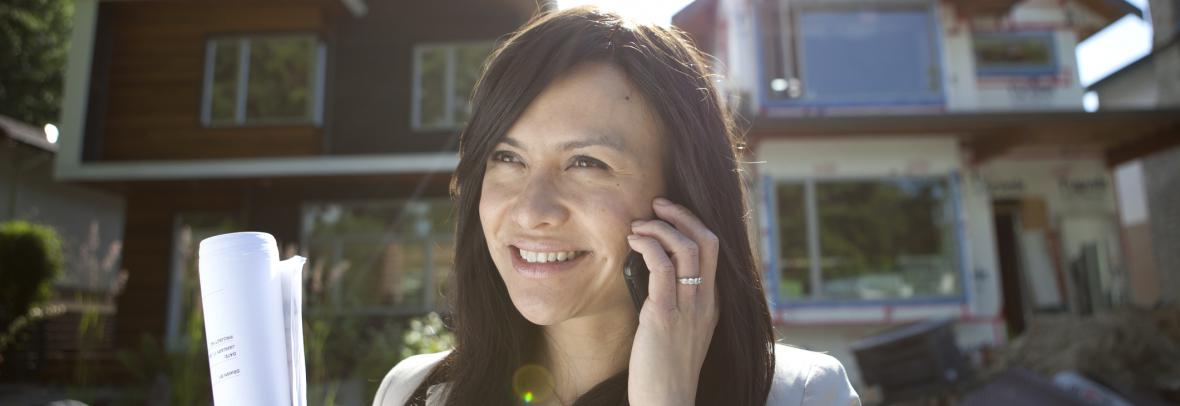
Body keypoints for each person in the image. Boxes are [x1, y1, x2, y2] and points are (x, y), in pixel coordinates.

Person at [373, 6, 860, 406]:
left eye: (586, 162)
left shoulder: (803, 395)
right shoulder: (413, 393)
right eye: (507, 157)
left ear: (683, 193)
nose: (530, 210)